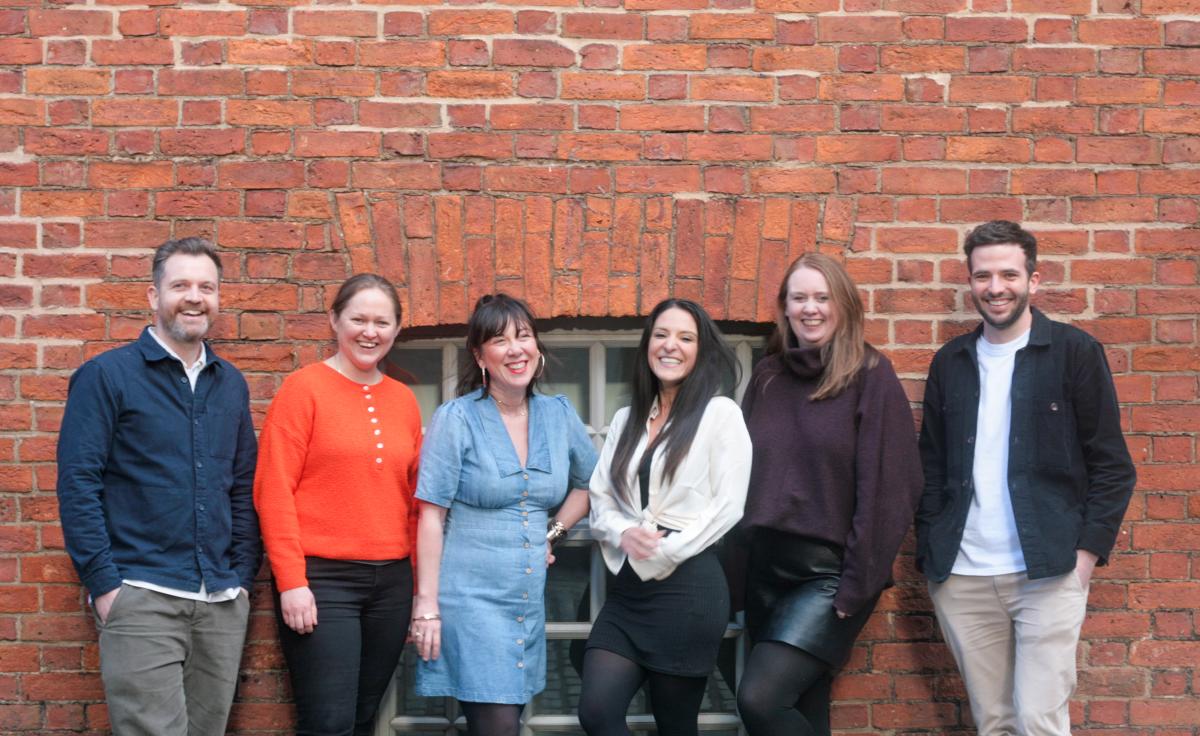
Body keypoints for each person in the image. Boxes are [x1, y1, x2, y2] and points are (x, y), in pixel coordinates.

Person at [917, 220, 1136, 735]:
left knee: (1039, 721)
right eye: (983, 276)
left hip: (1048, 571)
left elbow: (1112, 465)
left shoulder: (1073, 352)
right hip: (964, 574)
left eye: (1009, 275)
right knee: (993, 722)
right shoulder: (951, 362)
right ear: (969, 282)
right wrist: (931, 548)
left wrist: (1084, 558)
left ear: (1034, 281)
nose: (996, 288)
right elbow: (929, 464)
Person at [56, 237, 261, 735]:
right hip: (141, 593)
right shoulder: (106, 376)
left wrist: (241, 578)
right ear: (153, 296)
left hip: (219, 600)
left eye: (206, 287)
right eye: (181, 285)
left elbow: (241, 485)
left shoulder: (229, 383)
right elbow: (78, 483)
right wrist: (107, 586)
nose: (195, 297)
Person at [734, 253, 923, 736]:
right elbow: (739, 472)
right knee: (806, 710)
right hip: (765, 573)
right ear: (785, 307)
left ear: (843, 306)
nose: (810, 308)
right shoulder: (767, 377)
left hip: (827, 576)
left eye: (822, 297)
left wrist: (856, 586)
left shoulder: (870, 376)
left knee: (761, 699)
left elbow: (892, 489)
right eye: (800, 297)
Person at [412, 293, 597, 736]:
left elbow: (592, 484)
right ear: (479, 356)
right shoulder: (455, 418)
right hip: (469, 598)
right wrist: (427, 607)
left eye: (524, 336)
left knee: (502, 719)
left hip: (527, 601)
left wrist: (551, 534)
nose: (515, 349)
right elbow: (431, 517)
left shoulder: (559, 413)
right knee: (498, 726)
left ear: (537, 347)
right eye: (499, 340)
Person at [253, 274, 423, 736]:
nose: (370, 331)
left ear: (396, 330)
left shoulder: (404, 401)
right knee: (328, 722)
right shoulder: (303, 389)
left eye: (382, 322)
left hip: (390, 583)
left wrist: (414, 588)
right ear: (334, 320)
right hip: (322, 581)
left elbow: (412, 504)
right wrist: (291, 581)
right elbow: (273, 490)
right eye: (359, 319)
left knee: (363, 717)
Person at [578, 298, 752, 736]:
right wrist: (623, 533)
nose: (670, 345)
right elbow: (600, 497)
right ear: (647, 345)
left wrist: (666, 551)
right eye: (661, 334)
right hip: (629, 593)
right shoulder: (626, 419)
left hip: (690, 589)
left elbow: (729, 506)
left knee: (675, 725)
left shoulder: (720, 415)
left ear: (701, 350)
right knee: (597, 712)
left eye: (685, 337)